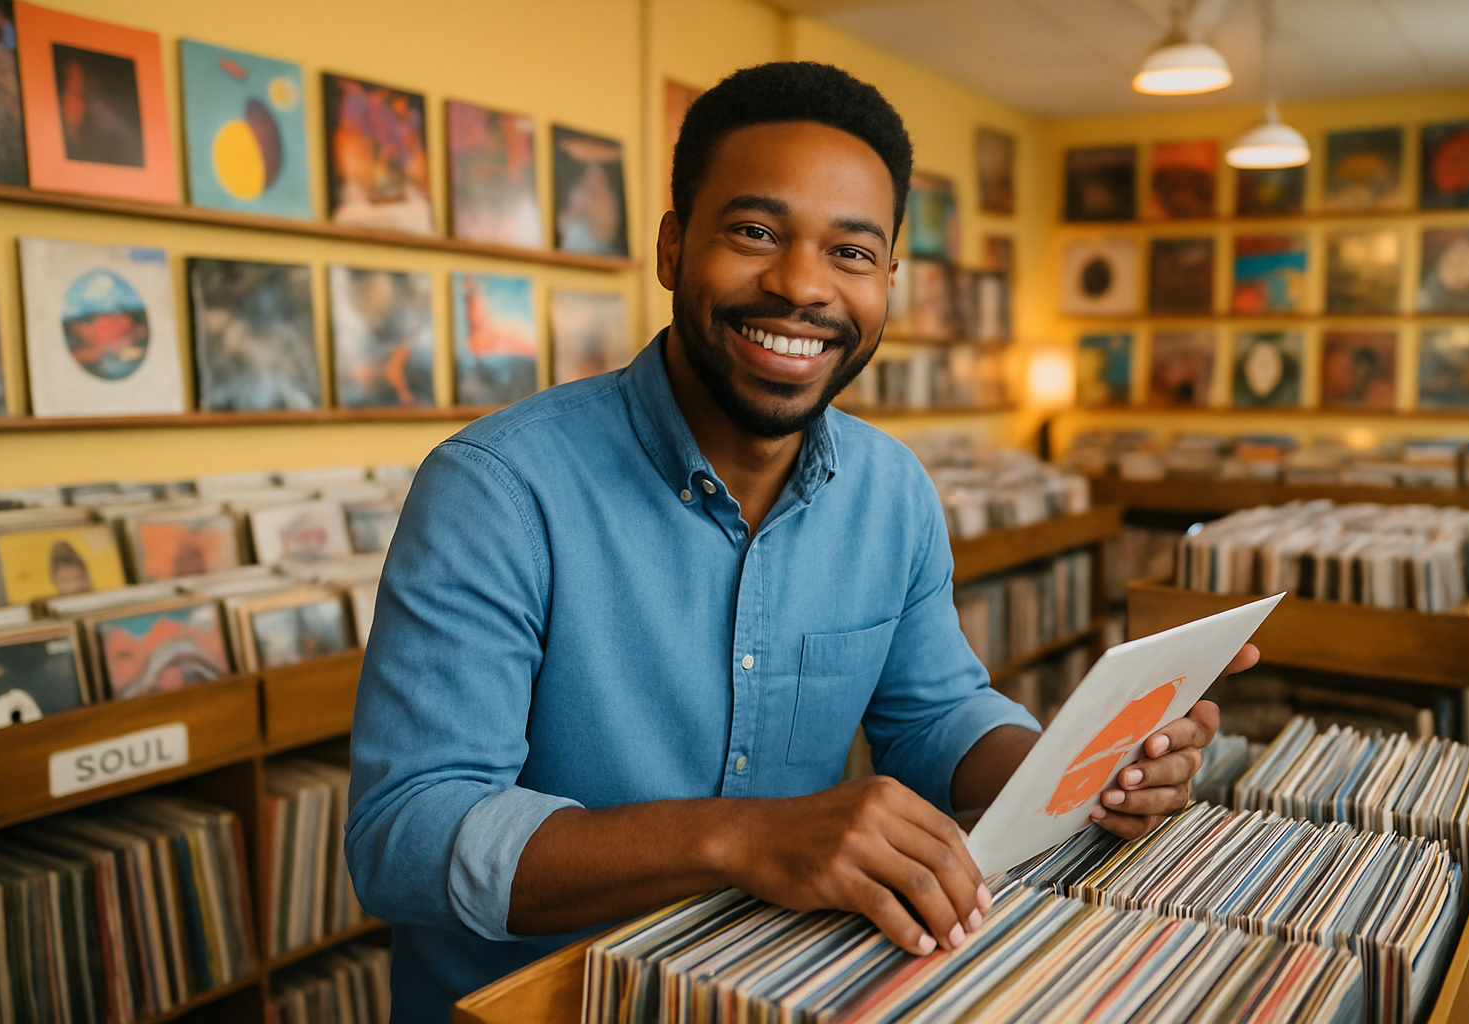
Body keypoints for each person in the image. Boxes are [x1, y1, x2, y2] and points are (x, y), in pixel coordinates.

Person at [346, 61, 1256, 1023]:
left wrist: (1078, 770)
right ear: (671, 247)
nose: (800, 287)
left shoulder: (892, 487)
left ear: (888, 282)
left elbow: (935, 713)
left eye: (851, 253)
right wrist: (740, 838)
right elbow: (405, 834)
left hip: (784, 991)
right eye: (754, 233)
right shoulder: (494, 489)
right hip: (543, 1003)